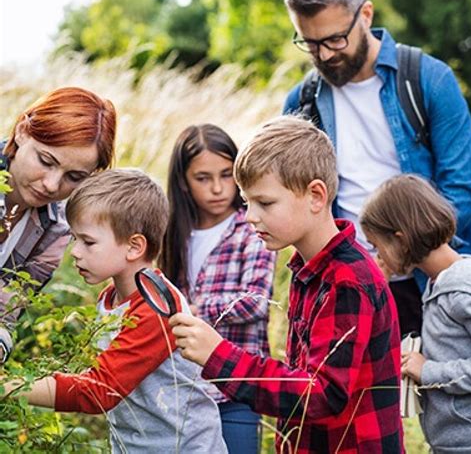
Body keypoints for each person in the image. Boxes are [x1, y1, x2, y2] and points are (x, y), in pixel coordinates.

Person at [169, 116, 403, 454]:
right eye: (247, 202)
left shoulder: (347, 281)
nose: (250, 216)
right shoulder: (308, 269)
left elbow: (321, 394)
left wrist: (219, 356)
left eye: (265, 203)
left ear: (315, 196)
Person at [282, 0, 471, 337]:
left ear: (365, 15)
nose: (323, 55)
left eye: (335, 39)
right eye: (309, 43)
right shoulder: (301, 103)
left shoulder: (428, 80)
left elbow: (461, 189)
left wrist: (398, 254)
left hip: (433, 283)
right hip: (348, 286)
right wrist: (356, 268)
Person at [2, 169, 228, 453]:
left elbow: (99, 391)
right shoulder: (111, 298)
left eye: (88, 241)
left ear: (134, 246)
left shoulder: (156, 307)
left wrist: (8, 386)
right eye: (74, 238)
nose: (75, 252)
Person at [159, 124, 276, 454]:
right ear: (183, 180)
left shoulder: (251, 228)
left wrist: (195, 312)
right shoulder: (173, 233)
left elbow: (257, 301)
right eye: (203, 178)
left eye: (227, 175)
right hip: (184, 389)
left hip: (235, 387)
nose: (217, 188)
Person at [0, 86, 116, 363]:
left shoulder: (56, 228)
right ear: (22, 131)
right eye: (45, 160)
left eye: (74, 177)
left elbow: (6, 312)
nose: (52, 185)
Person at [360, 174, 471, 453]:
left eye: (378, 246)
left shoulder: (462, 289)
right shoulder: (436, 285)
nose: (378, 256)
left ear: (401, 240)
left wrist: (429, 370)